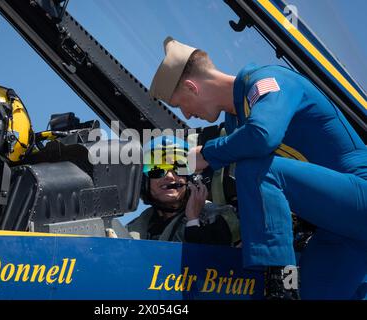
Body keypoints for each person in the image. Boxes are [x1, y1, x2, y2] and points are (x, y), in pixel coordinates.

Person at [149, 37, 367, 300]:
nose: (186, 114)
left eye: (180, 104)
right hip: (338, 231)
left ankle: (279, 283)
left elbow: (264, 135)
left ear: (191, 86)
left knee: (253, 166)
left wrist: (207, 153)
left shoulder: (268, 81)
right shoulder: (236, 124)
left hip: (359, 197)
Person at [126, 135, 239, 246]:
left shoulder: (219, 217)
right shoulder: (128, 232)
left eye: (180, 168)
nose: (170, 176)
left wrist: (193, 221)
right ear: (144, 182)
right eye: (157, 169)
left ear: (191, 178)